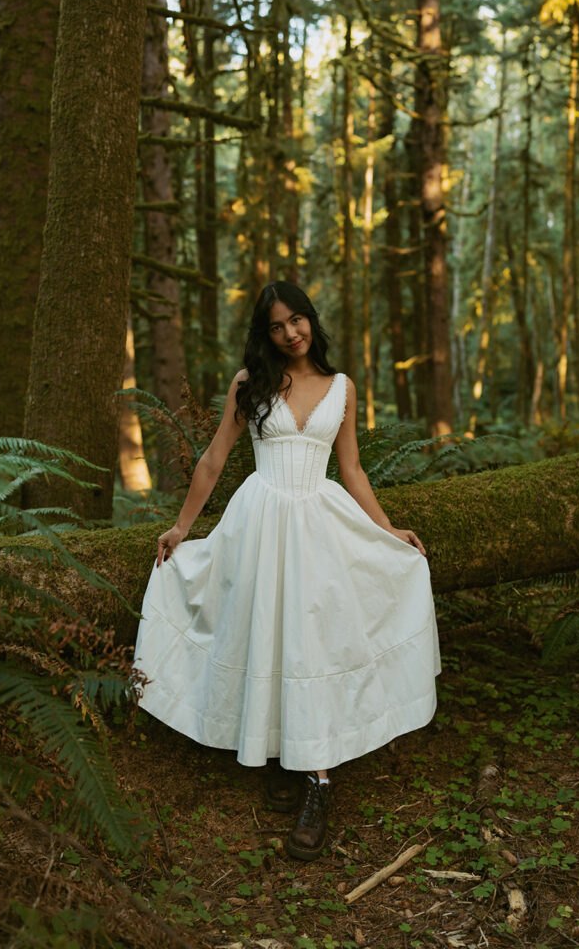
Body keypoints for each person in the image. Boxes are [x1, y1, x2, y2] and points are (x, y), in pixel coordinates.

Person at [134, 281, 440, 861]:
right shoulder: (250, 384)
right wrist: (181, 527)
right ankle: (280, 749)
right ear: (264, 334)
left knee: (313, 644)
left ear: (311, 321)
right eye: (277, 326)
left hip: (319, 523)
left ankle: (318, 780)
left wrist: (387, 530)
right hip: (261, 519)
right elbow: (215, 457)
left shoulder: (342, 387)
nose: (290, 333)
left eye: (297, 320)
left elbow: (351, 470)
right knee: (266, 636)